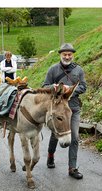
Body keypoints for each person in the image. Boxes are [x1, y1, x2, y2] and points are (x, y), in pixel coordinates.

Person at [42, 43, 87, 179]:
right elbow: (44, 86)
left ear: (72, 55)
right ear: (60, 55)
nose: (67, 57)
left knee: (74, 137)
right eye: (64, 54)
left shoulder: (79, 70)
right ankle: (50, 156)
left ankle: (72, 168)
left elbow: (84, 87)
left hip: (73, 108)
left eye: (69, 54)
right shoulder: (53, 69)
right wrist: (54, 87)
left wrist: (71, 90)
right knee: (56, 134)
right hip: (58, 109)